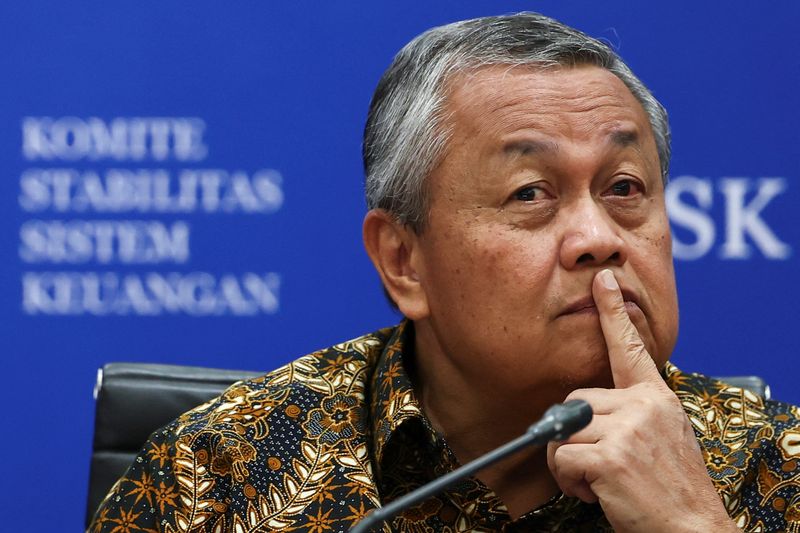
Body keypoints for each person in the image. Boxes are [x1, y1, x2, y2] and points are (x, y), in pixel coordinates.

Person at [89, 12, 800, 533]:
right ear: (404, 261)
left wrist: (690, 523)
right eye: (531, 194)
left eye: (623, 188)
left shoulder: (780, 468)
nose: (597, 237)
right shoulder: (220, 475)